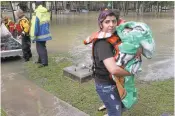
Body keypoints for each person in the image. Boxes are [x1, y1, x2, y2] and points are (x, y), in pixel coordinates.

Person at [89, 10, 131, 116]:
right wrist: (131, 72)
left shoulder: (113, 37)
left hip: (114, 82)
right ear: (101, 24)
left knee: (122, 106)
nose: (111, 25)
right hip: (106, 85)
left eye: (114, 21)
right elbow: (113, 69)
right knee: (115, 112)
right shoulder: (103, 44)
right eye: (107, 22)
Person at [30, 1, 52, 68]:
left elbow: (34, 26)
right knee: (41, 47)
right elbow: (48, 22)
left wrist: (33, 36)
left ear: (36, 5)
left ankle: (44, 63)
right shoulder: (46, 12)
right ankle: (40, 60)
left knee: (40, 48)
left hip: (39, 33)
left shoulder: (37, 13)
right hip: (45, 33)